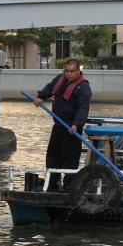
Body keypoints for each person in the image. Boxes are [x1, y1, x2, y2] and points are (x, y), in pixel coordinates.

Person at [33, 59, 92, 191]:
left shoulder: (83, 87)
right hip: (58, 125)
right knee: (53, 155)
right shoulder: (60, 79)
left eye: (72, 71)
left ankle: (68, 185)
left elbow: (83, 108)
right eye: (67, 71)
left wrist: (76, 124)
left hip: (72, 128)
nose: (68, 74)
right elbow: (50, 88)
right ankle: (52, 183)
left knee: (70, 158)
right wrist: (41, 97)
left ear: (78, 71)